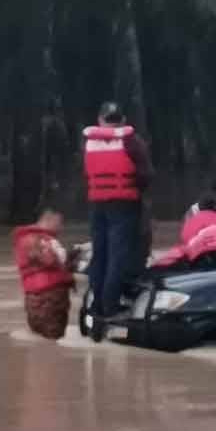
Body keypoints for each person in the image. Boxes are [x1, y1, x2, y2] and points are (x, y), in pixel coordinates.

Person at [83, 101, 154, 341]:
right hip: (124, 205)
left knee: (99, 254)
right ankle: (109, 308)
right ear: (122, 119)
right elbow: (146, 175)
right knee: (118, 256)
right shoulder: (132, 141)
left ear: (101, 120)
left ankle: (95, 305)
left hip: (97, 204)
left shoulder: (90, 141)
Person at [12, 209, 78, 340]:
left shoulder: (38, 238)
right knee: (52, 342)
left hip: (44, 299)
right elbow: (49, 260)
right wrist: (64, 256)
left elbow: (52, 264)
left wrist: (70, 257)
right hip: (46, 300)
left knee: (48, 342)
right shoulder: (35, 239)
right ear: (48, 220)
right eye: (58, 223)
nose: (61, 227)